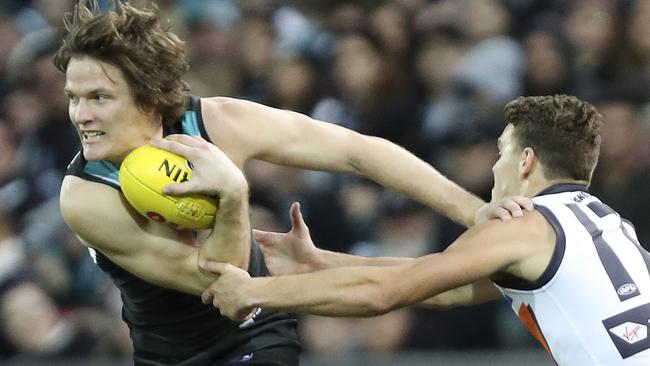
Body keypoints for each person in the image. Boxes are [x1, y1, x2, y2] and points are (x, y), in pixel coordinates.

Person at [54, 1, 527, 365]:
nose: (82, 115)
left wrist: (473, 212)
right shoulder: (85, 195)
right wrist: (233, 196)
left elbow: (358, 151)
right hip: (167, 354)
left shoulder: (218, 121)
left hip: (257, 336)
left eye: (99, 97)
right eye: (75, 98)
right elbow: (220, 282)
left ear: (149, 97)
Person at [201, 95, 650, 365]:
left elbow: (387, 292)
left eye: (502, 153)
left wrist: (255, 291)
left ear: (527, 161)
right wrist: (319, 263)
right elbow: (442, 287)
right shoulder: (608, 224)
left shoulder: (525, 225)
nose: (495, 168)